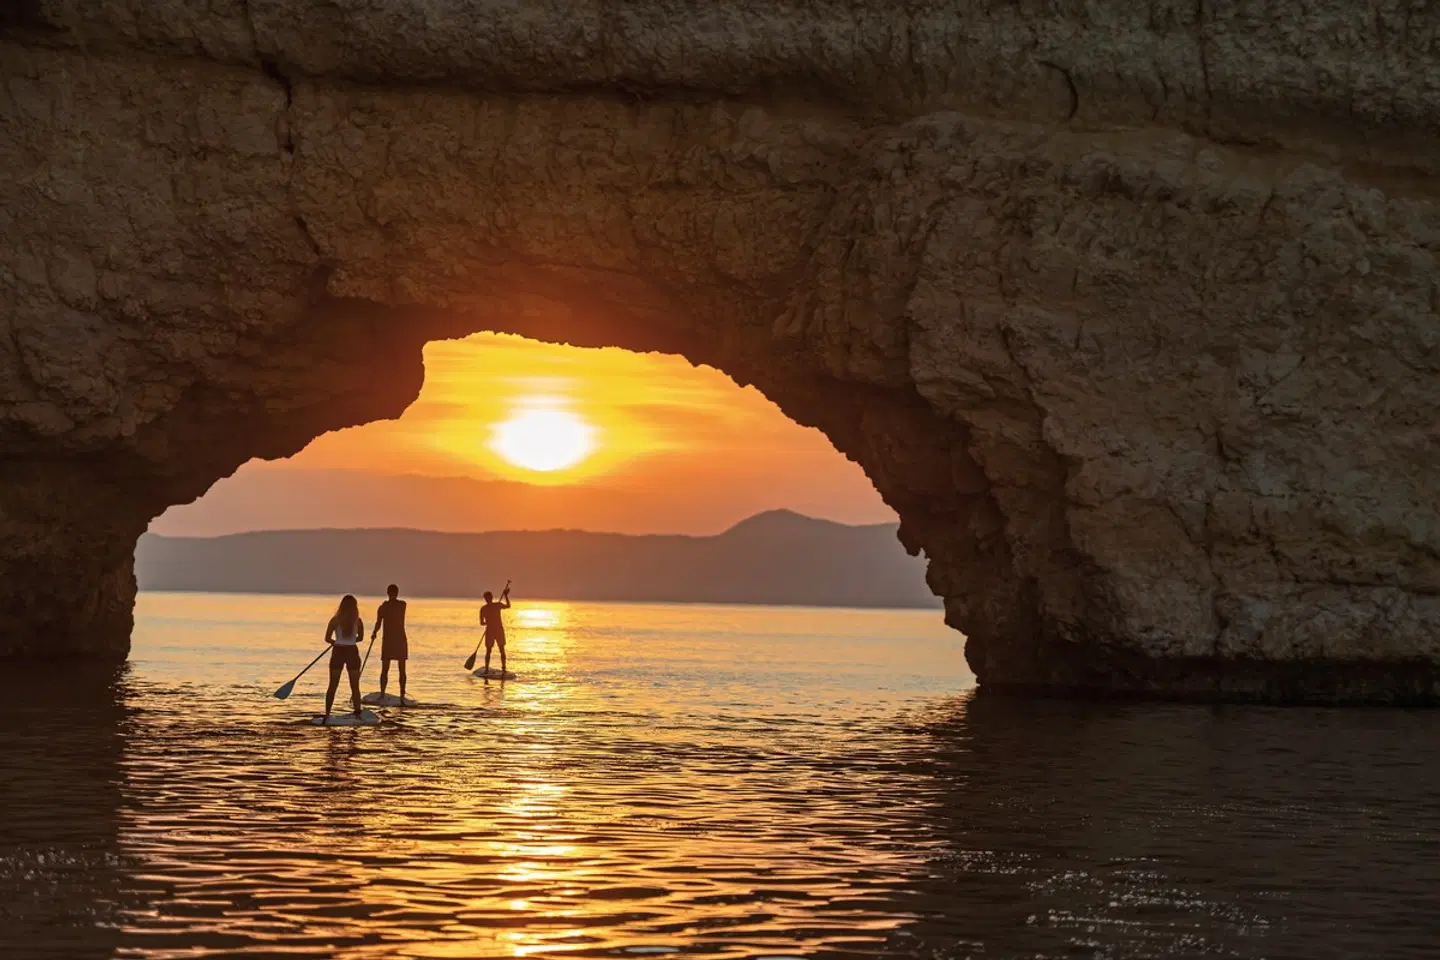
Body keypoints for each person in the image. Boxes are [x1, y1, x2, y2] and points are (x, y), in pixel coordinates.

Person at [323, 594, 365, 722]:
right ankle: (357, 713)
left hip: (338, 651)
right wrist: (350, 641)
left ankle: (328, 714)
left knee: (333, 685)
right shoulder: (358, 621)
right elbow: (361, 638)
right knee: (355, 686)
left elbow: (327, 638)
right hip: (352, 651)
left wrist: (335, 642)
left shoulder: (335, 620)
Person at [372, 584, 409, 702]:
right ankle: (401, 694)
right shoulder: (402, 605)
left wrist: (374, 633)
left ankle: (383, 694)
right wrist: (375, 633)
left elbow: (378, 623)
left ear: (387, 593)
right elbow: (378, 623)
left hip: (390, 641)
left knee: (386, 669)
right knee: (401, 669)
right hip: (398, 641)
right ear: (397, 593)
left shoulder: (383, 607)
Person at [479, 585, 511, 677]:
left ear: (491, 598)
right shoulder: (484, 609)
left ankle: (504, 668)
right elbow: (481, 622)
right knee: (489, 650)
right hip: (490, 631)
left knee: (501, 649)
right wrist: (487, 623)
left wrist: (506, 595)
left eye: (488, 598)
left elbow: (508, 606)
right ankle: (486, 669)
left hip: (498, 630)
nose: (487, 599)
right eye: (486, 598)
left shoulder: (497, 605)